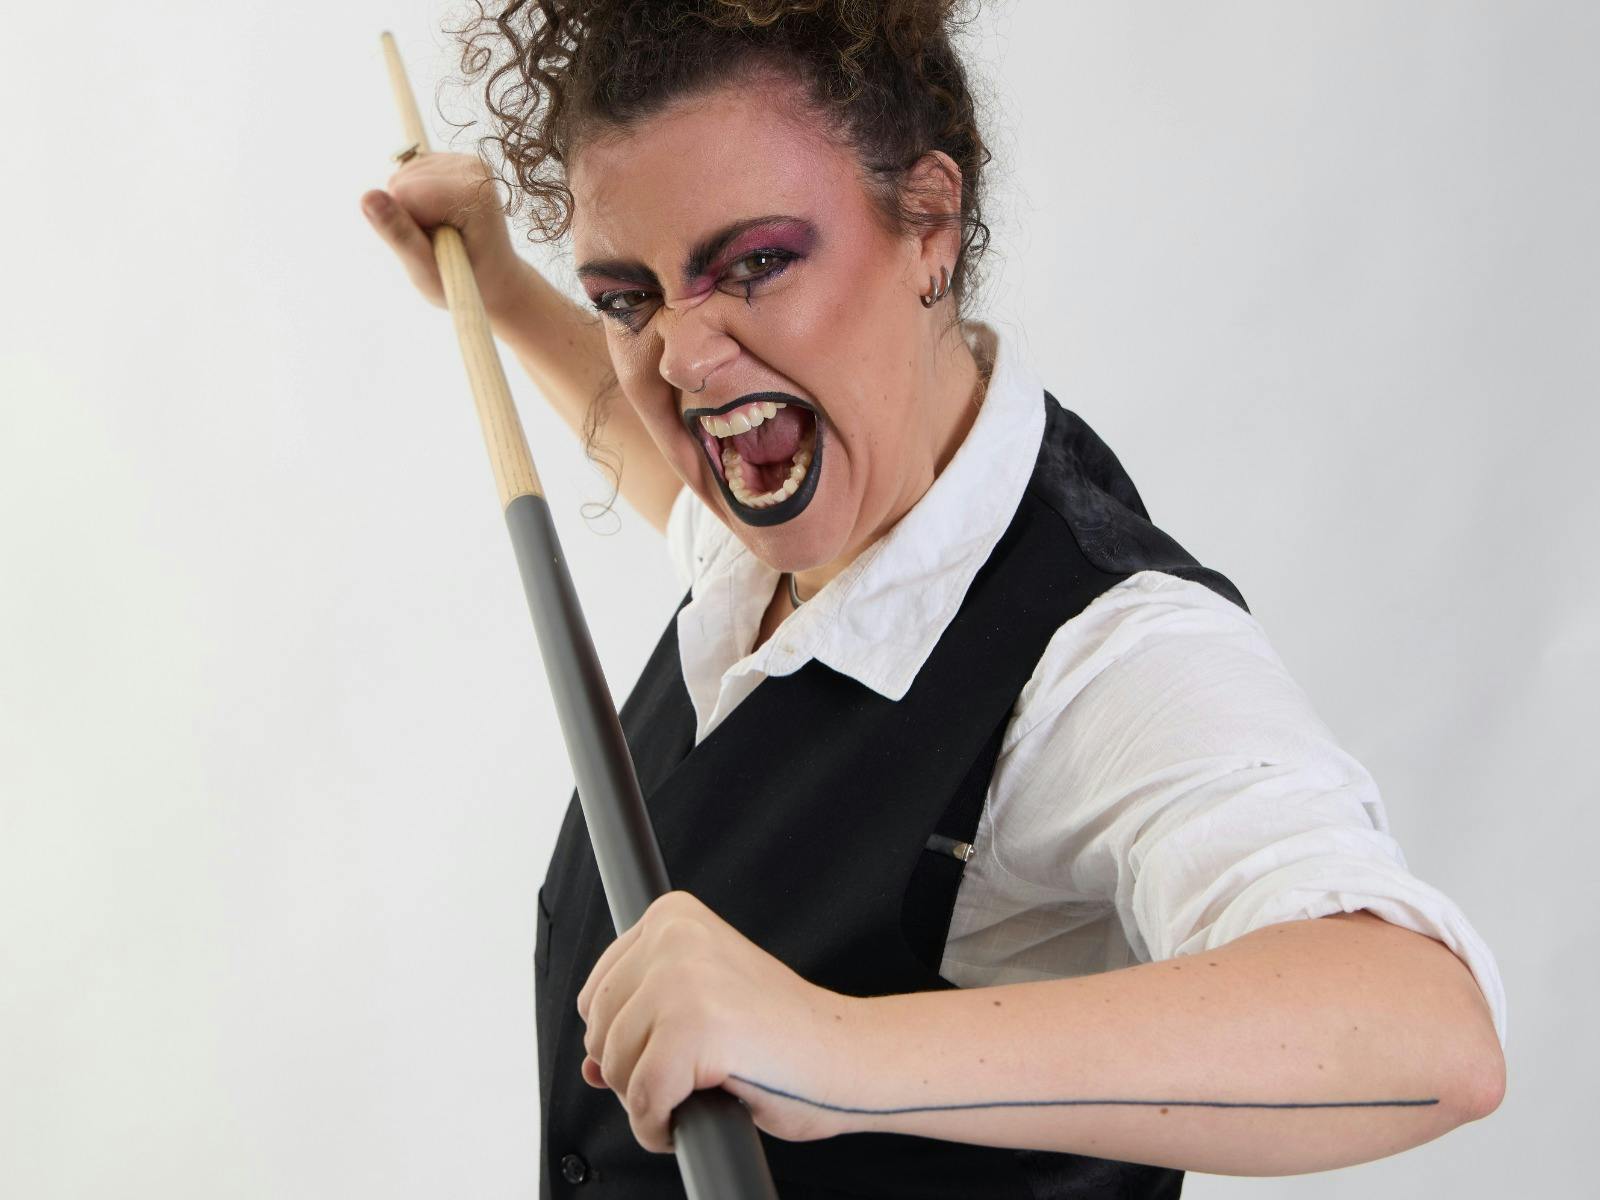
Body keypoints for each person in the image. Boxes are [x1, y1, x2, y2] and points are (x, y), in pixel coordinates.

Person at [361, 2, 1507, 1195]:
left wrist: (825, 1046)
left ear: (928, 224)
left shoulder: (1106, 654)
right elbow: (679, 486)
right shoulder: (795, 542)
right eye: (628, 299)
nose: (684, 360)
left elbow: (1425, 1033)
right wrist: (499, 288)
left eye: (756, 265)